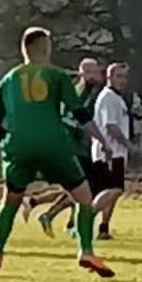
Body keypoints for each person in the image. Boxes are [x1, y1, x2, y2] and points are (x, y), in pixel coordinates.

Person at [0, 27, 115, 278]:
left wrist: (8, 141)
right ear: (45, 47)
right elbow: (79, 113)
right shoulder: (56, 76)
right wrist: (102, 141)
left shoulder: (9, 79)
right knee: (83, 197)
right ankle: (86, 251)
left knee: (9, 202)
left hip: (18, 147)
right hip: (53, 144)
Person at [32, 58, 104, 235]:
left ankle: (69, 223)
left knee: (82, 188)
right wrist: (81, 131)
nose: (97, 75)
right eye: (93, 72)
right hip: (73, 148)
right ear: (84, 73)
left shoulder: (88, 91)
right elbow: (68, 118)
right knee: (82, 188)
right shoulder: (78, 93)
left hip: (81, 147)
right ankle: (52, 216)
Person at [90, 62, 133, 240]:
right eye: (118, 76)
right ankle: (85, 219)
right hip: (109, 152)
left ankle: (104, 228)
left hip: (118, 153)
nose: (122, 80)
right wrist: (129, 145)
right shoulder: (108, 97)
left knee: (113, 192)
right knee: (114, 189)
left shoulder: (118, 98)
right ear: (109, 77)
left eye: (124, 77)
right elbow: (111, 126)